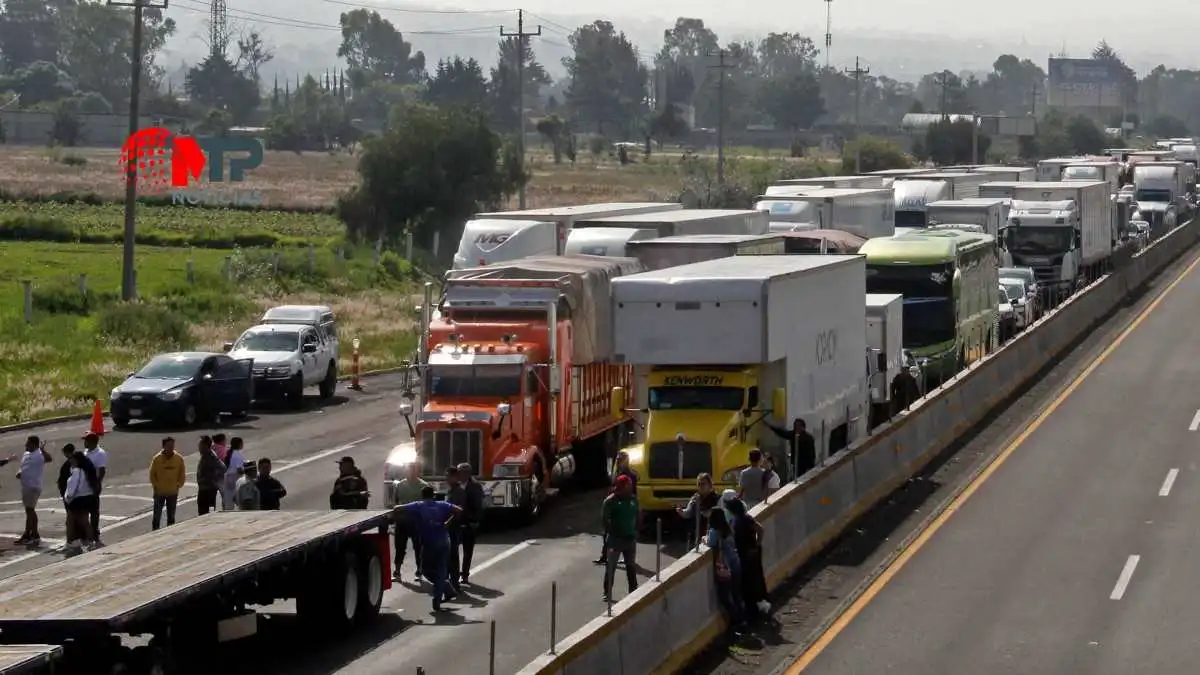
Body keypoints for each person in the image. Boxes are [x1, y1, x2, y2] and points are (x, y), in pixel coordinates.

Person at [395, 485, 463, 612]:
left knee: (426, 570)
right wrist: (448, 522)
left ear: (422, 495)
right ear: (433, 495)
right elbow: (459, 510)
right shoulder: (442, 504)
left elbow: (398, 508)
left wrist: (396, 516)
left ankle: (440, 596)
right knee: (441, 569)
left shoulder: (419, 505)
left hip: (429, 543)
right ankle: (446, 590)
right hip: (444, 541)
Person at [725, 498, 770, 619]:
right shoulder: (733, 520)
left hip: (750, 553)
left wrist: (756, 546)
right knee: (745, 581)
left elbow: (760, 530)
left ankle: (759, 605)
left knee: (754, 579)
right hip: (742, 554)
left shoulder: (746, 519)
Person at [595, 449, 640, 565]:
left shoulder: (631, 475)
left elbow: (633, 493)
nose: (619, 462)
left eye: (621, 460)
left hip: (624, 506)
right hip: (614, 504)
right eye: (618, 460)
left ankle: (628, 558)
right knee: (607, 532)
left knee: (628, 533)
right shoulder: (617, 472)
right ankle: (604, 556)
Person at [601, 474, 640, 603]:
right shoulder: (610, 502)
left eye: (630, 485)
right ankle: (607, 592)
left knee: (631, 566)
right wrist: (612, 530)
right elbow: (605, 520)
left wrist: (636, 529)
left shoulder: (633, 499)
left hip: (630, 539)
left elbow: (638, 514)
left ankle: (634, 590)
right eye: (627, 486)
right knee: (611, 567)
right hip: (615, 540)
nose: (630, 488)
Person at [707, 510, 746, 634]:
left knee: (724, 597)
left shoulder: (714, 532)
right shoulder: (728, 528)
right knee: (736, 593)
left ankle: (736, 620)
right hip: (735, 563)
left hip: (724, 567)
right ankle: (741, 619)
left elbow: (710, 544)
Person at [391, 463, 429, 583]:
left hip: (416, 522)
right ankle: (397, 572)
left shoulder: (423, 485)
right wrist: (394, 519)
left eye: (413, 470)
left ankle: (419, 571)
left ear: (417, 471)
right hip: (402, 521)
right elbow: (395, 502)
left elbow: (426, 504)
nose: (411, 472)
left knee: (418, 547)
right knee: (399, 548)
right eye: (409, 470)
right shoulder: (400, 485)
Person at [15, 436, 51, 546]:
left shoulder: (39, 455)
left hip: (33, 486)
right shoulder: (26, 454)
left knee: (30, 510)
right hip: (25, 486)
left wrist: (43, 450)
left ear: (34, 444)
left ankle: (28, 534)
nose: (26, 445)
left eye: (28, 443)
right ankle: (34, 534)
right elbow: (24, 466)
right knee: (29, 510)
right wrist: (20, 472)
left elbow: (49, 459)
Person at [63, 451, 99, 556]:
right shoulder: (85, 470)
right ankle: (88, 541)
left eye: (72, 459)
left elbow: (73, 487)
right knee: (82, 521)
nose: (70, 461)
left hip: (78, 500)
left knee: (72, 521)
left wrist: (68, 498)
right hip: (86, 498)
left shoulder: (77, 471)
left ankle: (72, 543)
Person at [149, 437, 186, 531]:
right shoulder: (157, 459)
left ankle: (170, 532)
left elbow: (182, 473)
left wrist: (179, 484)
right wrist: (156, 486)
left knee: (171, 516)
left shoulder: (179, 458)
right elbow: (152, 474)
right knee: (156, 516)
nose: (171, 447)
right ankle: (154, 533)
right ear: (163, 446)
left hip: (173, 492)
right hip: (159, 492)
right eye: (169, 445)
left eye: (173, 445)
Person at [457, 462, 485, 585]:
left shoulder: (475, 486)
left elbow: (478, 505)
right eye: (459, 472)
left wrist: (475, 520)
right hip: (456, 521)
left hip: (469, 521)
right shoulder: (455, 485)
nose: (460, 474)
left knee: (468, 550)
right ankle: (454, 573)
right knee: (453, 549)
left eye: (463, 472)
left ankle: (465, 575)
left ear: (468, 473)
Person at [677, 472, 720, 548]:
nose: (701, 486)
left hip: (712, 535)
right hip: (698, 534)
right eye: (699, 484)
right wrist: (681, 512)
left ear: (709, 485)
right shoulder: (695, 498)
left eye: (703, 484)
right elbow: (688, 512)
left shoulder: (716, 498)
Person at [81, 432, 107, 547]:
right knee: (84, 511)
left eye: (86, 440)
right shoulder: (86, 452)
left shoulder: (100, 454)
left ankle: (95, 534)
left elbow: (101, 470)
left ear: (92, 442)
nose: (84, 442)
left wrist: (96, 484)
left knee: (94, 512)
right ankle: (86, 534)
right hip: (83, 486)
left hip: (93, 486)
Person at [444, 467, 466, 593]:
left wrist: (448, 522)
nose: (446, 478)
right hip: (448, 528)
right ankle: (449, 581)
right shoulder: (450, 490)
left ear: (455, 477)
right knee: (448, 555)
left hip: (454, 527)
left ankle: (454, 582)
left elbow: (458, 510)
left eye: (448, 476)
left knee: (453, 555)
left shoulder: (459, 492)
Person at [196, 435, 225, 516]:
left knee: (209, 514)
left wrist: (213, 481)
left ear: (205, 446)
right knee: (202, 513)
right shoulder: (205, 455)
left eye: (200, 445)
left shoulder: (211, 457)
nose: (199, 447)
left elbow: (222, 468)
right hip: (203, 490)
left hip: (209, 492)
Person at [220, 437, 247, 511]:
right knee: (241, 502)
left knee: (228, 503)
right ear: (239, 444)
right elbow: (239, 469)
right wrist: (246, 471)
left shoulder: (229, 452)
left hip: (228, 479)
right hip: (234, 480)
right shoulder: (237, 454)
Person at [57, 444, 75, 543]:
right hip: (68, 492)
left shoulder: (71, 463)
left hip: (69, 493)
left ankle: (72, 539)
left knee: (71, 517)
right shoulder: (72, 462)